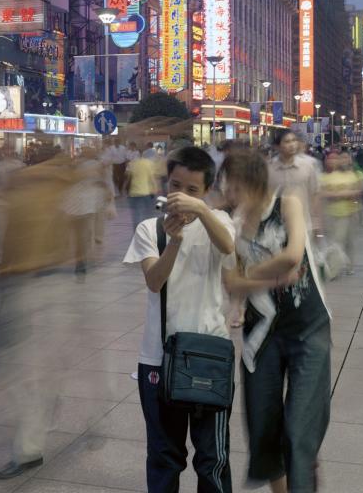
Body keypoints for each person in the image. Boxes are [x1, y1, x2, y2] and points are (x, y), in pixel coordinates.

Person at [123, 146, 236, 493]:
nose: (182, 197)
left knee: (212, 459)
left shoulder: (219, 221)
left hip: (209, 355)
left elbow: (228, 247)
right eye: (175, 186)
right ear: (165, 183)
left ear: (207, 191)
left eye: (192, 190)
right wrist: (173, 242)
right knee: (164, 457)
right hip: (158, 358)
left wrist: (201, 211)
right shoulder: (149, 229)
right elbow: (154, 281)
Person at [221, 149, 331, 493]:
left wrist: (250, 276)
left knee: (299, 427)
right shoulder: (233, 225)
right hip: (260, 335)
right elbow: (231, 282)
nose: (230, 195)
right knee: (263, 429)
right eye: (228, 187)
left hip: (307, 326)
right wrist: (264, 282)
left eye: (236, 187)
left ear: (255, 182)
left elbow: (293, 255)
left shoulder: (287, 204)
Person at [320, 151, 363, 276]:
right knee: (336, 241)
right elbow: (320, 193)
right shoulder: (323, 177)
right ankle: (334, 269)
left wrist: (339, 194)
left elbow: (358, 192)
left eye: (336, 159)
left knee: (349, 240)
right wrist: (341, 194)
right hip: (330, 213)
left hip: (350, 212)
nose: (333, 161)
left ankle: (349, 265)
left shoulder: (353, 174)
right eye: (330, 159)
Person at [126, 149, 159, 230]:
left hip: (133, 193)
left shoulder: (133, 163)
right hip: (146, 193)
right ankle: (147, 231)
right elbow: (152, 178)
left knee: (136, 215)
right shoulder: (149, 163)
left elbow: (127, 176)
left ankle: (137, 232)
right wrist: (155, 189)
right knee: (148, 214)